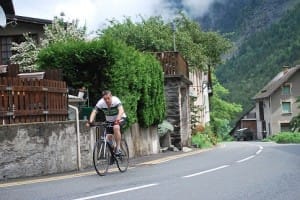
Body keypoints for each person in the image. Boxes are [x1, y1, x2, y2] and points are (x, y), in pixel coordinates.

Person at [86, 90, 126, 155]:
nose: (107, 100)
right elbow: (94, 112)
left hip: (120, 118)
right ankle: (113, 154)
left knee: (116, 127)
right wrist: (90, 121)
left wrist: (117, 120)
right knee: (108, 138)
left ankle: (118, 148)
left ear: (111, 97)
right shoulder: (101, 102)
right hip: (109, 121)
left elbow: (121, 111)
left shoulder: (116, 100)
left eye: (108, 98)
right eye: (105, 99)